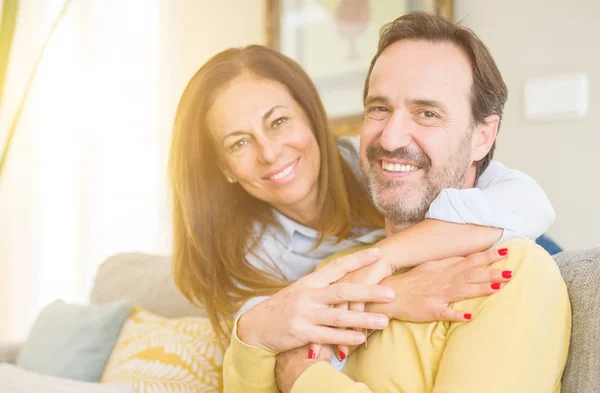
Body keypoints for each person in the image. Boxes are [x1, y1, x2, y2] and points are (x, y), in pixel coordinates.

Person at [221, 12, 571, 393]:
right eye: (379, 109)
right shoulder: (330, 277)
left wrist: (308, 381)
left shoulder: (513, 273)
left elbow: (530, 203)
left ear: (482, 137)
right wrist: (255, 332)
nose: (390, 138)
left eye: (428, 113)